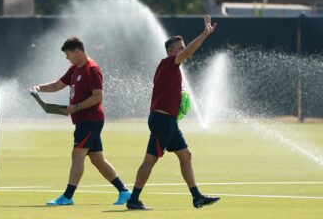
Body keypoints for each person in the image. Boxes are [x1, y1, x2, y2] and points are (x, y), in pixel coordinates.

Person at [126, 15, 220, 210]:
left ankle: (196, 197)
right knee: (150, 161)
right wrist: (204, 34)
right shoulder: (169, 63)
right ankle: (133, 199)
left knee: (185, 155)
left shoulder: (170, 67)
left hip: (166, 120)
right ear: (171, 51)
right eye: (180, 47)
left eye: (183, 46)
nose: (183, 49)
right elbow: (187, 53)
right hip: (162, 120)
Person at [32, 37, 131, 206]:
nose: (67, 58)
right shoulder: (74, 69)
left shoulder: (92, 69)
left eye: (68, 54)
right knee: (97, 159)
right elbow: (57, 85)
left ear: (77, 51)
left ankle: (68, 196)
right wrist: (39, 88)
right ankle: (124, 192)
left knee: (77, 154)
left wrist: (76, 107)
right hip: (83, 120)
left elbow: (98, 97)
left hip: (90, 119)